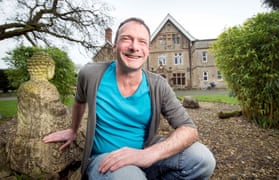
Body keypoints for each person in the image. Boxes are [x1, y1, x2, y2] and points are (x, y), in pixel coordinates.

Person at [43, 17, 216, 179]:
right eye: (127, 39)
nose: (134, 47)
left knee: (202, 159)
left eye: (142, 42)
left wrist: (148, 154)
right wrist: (73, 130)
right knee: (130, 176)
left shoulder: (158, 85)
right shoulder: (90, 74)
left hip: (144, 154)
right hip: (106, 160)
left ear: (147, 50)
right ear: (115, 46)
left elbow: (189, 129)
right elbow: (79, 101)